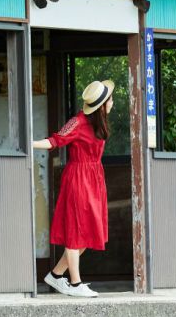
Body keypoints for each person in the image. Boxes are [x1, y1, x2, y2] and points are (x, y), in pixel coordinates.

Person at [31, 80, 114, 298]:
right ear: (103, 104)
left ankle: (56, 275)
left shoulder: (99, 122)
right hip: (78, 177)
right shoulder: (77, 121)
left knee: (87, 232)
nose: (113, 102)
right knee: (76, 230)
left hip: (94, 177)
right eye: (110, 99)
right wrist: (28, 143)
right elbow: (54, 141)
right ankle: (75, 283)